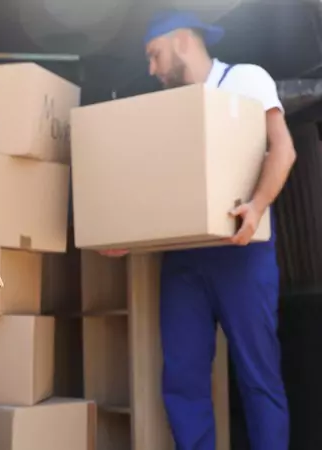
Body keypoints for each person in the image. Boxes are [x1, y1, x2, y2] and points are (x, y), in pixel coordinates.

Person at [101, 10, 297, 450]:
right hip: (185, 258)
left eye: (154, 55)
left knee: (258, 377)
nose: (151, 69)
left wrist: (258, 205)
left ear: (181, 40)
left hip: (242, 250)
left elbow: (282, 150)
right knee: (183, 380)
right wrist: (125, 240)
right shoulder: (167, 109)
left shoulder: (245, 80)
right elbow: (158, 191)